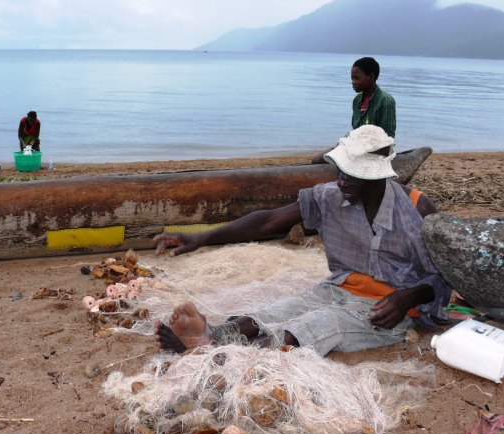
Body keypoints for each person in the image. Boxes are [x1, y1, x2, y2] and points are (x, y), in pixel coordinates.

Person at [153, 125, 450, 356]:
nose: (342, 180)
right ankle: (212, 336)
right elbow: (268, 220)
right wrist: (199, 238)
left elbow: (442, 278)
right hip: (339, 287)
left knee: (316, 326)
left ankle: (217, 356)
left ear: (378, 176)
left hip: (390, 310)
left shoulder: (417, 209)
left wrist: (408, 297)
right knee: (276, 312)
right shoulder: (330, 197)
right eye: (341, 171)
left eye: (353, 175)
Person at [312, 57, 396, 164]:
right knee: (317, 159)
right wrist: (343, 143)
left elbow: (388, 137)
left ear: (371, 76)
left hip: (376, 151)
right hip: (356, 146)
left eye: (357, 78)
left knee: (328, 162)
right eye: (352, 79)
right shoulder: (357, 100)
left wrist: (359, 150)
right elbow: (356, 130)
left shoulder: (386, 101)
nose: (353, 82)